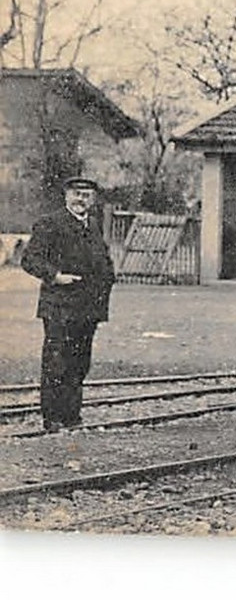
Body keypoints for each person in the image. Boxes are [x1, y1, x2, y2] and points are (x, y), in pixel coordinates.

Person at [20, 177, 116, 432]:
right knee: (56, 361)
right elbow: (29, 259)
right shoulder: (50, 224)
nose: (81, 199)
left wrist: (107, 281)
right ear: (66, 196)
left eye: (86, 195)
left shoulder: (93, 226)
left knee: (80, 361)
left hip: (88, 308)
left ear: (93, 199)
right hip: (59, 306)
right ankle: (52, 418)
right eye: (76, 194)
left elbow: (104, 261)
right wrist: (55, 276)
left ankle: (72, 416)